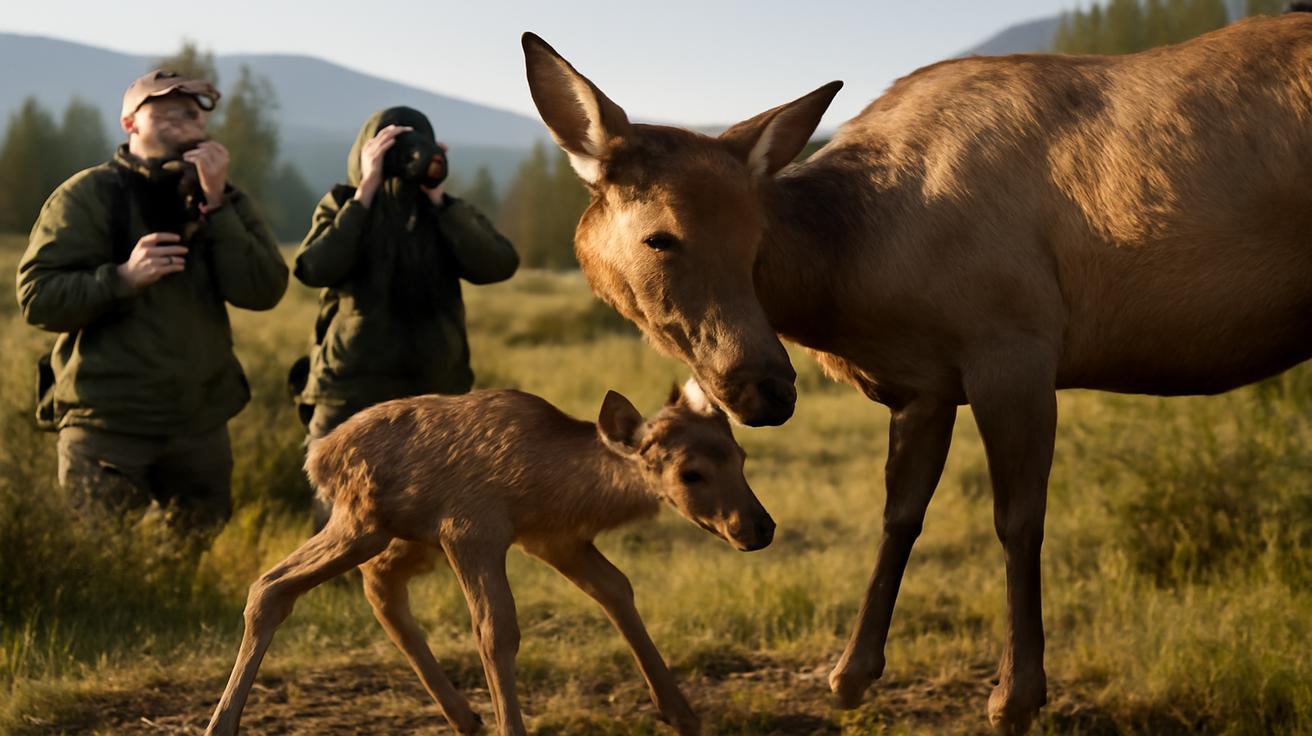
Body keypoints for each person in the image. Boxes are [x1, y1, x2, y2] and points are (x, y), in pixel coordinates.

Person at [15, 69, 289, 534]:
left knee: (192, 549)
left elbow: (262, 290)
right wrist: (121, 278)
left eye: (192, 115)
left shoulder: (225, 201)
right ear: (130, 123)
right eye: (165, 112)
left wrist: (218, 204)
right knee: (100, 558)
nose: (184, 123)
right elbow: (38, 298)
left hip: (197, 421)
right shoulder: (88, 195)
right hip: (108, 420)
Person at [291, 107, 518, 524]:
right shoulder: (344, 204)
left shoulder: (445, 212)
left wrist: (439, 197)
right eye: (393, 144)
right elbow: (315, 267)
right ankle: (332, 589)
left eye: (418, 144)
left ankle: (402, 586)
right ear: (367, 149)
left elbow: (499, 264)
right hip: (349, 386)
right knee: (336, 516)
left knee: (427, 514)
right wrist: (366, 190)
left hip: (432, 390)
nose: (406, 154)